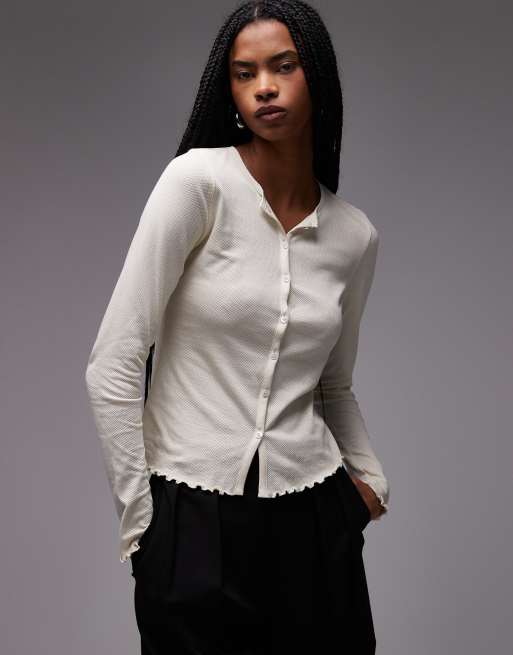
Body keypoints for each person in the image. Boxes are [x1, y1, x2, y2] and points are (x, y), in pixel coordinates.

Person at [84, 1, 390, 653]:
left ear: (317, 75)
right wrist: (143, 528)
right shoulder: (198, 183)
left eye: (283, 66)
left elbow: (334, 385)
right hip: (191, 521)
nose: (264, 87)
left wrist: (368, 483)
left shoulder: (354, 236)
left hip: (314, 521)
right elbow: (114, 360)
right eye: (244, 73)